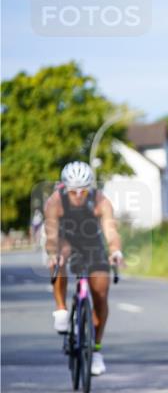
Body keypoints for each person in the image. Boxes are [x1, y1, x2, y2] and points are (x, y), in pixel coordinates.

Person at [44, 161, 124, 376]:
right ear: (64, 187)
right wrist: (53, 252)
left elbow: (110, 231)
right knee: (59, 260)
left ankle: (96, 349)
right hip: (66, 241)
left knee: (101, 293)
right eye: (73, 190)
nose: (78, 195)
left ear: (90, 187)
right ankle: (61, 309)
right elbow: (51, 234)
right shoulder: (55, 202)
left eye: (83, 190)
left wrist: (115, 250)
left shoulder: (100, 200)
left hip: (92, 244)